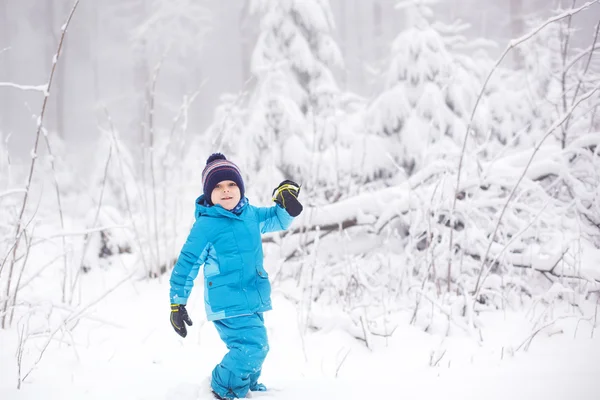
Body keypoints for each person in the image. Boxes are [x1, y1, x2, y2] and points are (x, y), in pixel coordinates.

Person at [168, 153, 303, 400]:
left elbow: (276, 219)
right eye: (218, 187)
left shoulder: (249, 214)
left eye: (231, 184)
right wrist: (177, 302)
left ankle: (244, 383)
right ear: (209, 194)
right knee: (253, 346)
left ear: (240, 188)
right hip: (227, 300)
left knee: (253, 344)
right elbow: (187, 264)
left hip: (252, 294)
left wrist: (286, 205)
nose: (226, 191)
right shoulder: (206, 226)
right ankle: (223, 388)